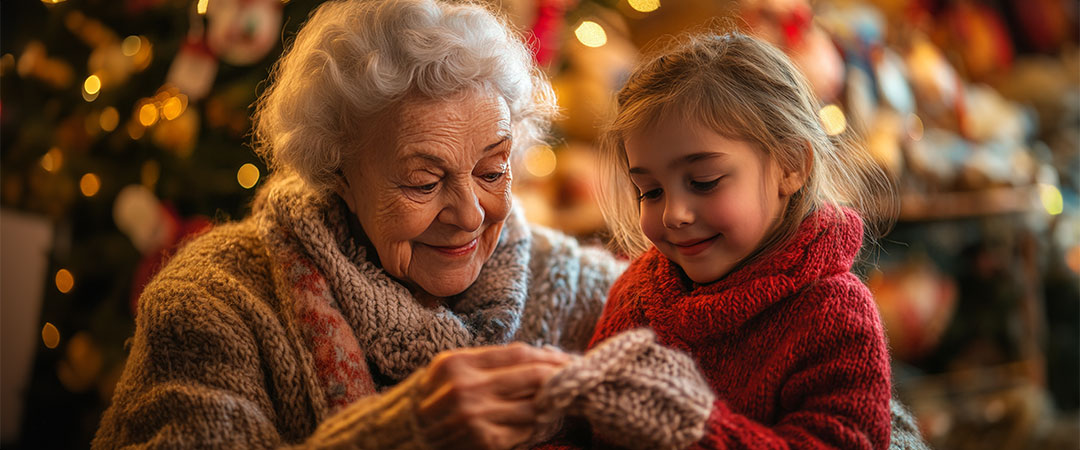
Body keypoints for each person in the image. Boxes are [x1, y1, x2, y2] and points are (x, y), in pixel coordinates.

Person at [91, 1, 626, 448]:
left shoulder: (573, 285)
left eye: (493, 170)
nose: (470, 214)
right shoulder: (214, 302)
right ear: (337, 173)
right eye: (423, 182)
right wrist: (396, 435)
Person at [544, 31, 903, 448]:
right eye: (651, 192)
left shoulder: (834, 312)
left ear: (791, 165)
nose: (674, 214)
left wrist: (695, 430)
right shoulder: (638, 294)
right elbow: (586, 432)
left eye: (703, 182)